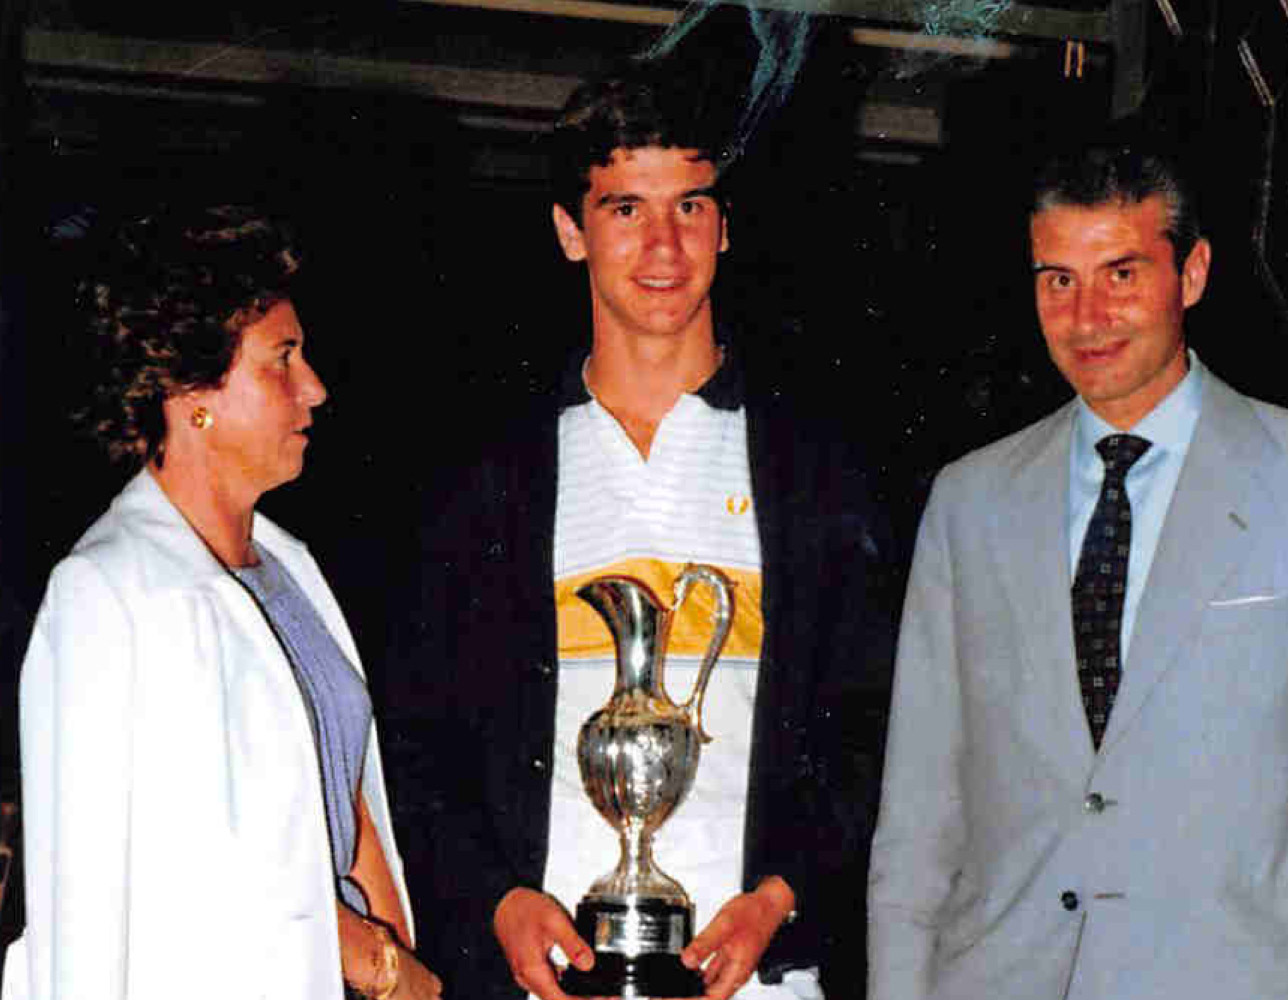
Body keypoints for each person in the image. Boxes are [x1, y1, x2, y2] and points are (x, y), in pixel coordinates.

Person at [388, 57, 891, 1000]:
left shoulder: (817, 470)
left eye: (690, 207)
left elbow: (869, 729)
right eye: (626, 210)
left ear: (727, 225)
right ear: (570, 232)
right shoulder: (488, 480)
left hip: (760, 984)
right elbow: (419, 740)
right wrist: (496, 900)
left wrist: (781, 897)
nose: (664, 246)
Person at [868, 141, 1288, 999]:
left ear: (1194, 273)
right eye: (1058, 279)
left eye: (1121, 273)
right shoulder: (969, 502)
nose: (1086, 316)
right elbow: (918, 818)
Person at [1, 206, 442, 1000]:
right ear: (190, 389)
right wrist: (376, 965)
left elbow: (346, 806)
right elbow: (93, 906)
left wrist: (399, 967)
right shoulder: (107, 591)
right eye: (282, 358)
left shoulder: (293, 570)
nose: (315, 386)